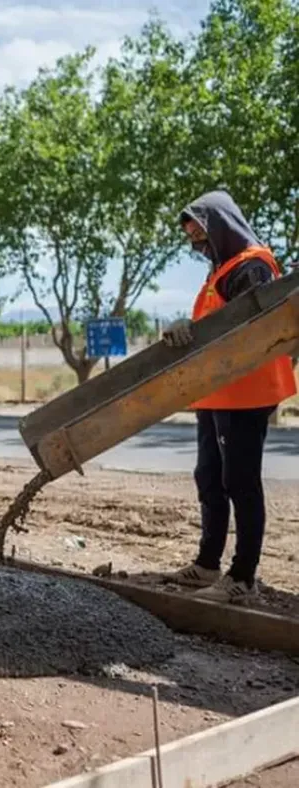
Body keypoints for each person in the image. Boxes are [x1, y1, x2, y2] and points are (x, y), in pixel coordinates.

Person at [162, 190, 297, 604]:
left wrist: (194, 328)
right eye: (192, 241)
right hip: (217, 392)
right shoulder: (221, 270)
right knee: (209, 477)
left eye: (200, 237)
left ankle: (242, 578)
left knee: (240, 480)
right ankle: (207, 564)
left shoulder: (251, 266)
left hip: (245, 393)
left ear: (220, 226)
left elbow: (248, 332)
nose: (197, 247)